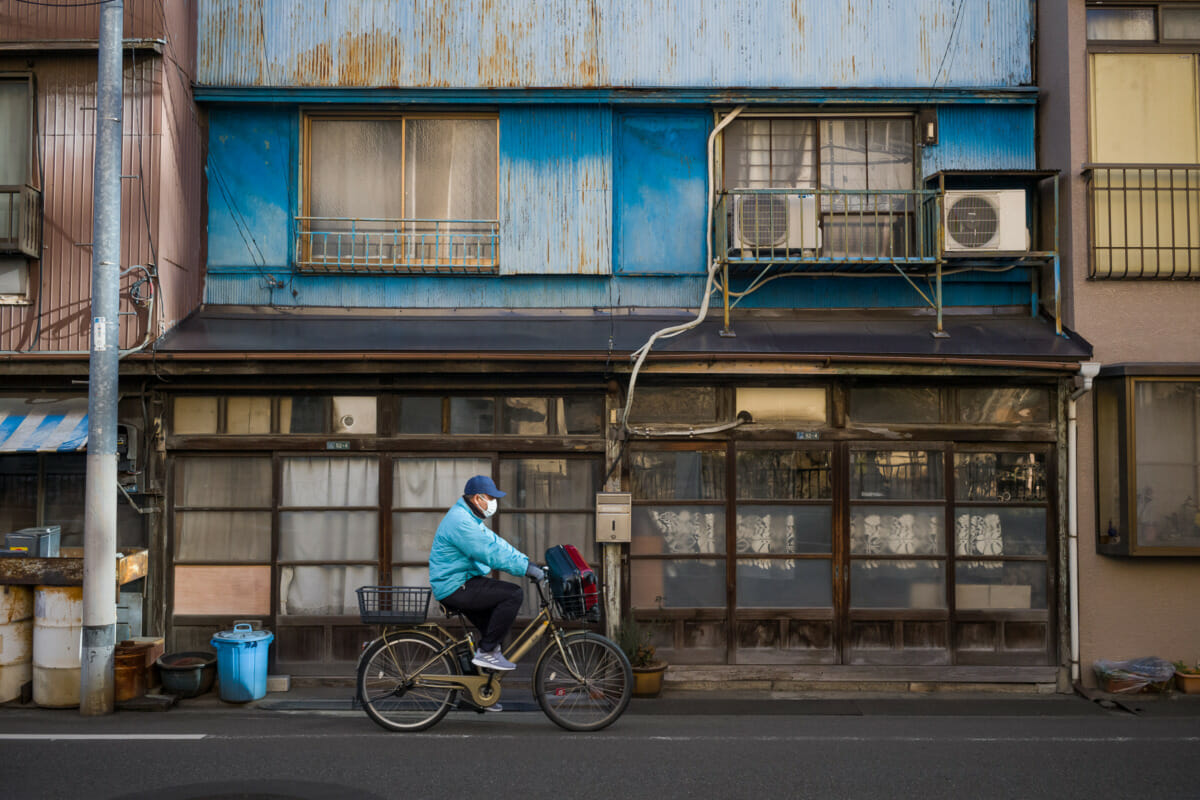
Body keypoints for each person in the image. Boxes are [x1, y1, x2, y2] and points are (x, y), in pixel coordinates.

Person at [428, 475, 544, 671]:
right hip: (455, 586)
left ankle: (477, 696)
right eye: (490, 498)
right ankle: (486, 653)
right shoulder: (461, 521)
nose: (493, 503)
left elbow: (497, 543)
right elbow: (489, 552)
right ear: (477, 498)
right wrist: (525, 569)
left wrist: (526, 562)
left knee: (493, 633)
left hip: (461, 582)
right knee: (513, 594)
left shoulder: (469, 518)